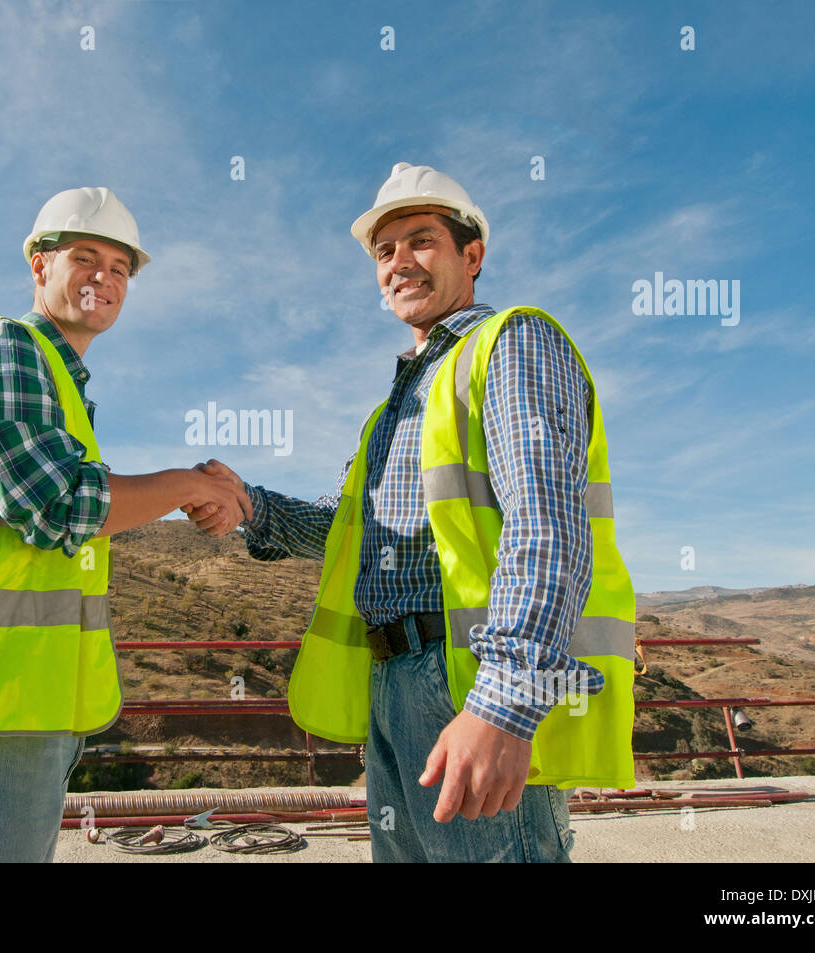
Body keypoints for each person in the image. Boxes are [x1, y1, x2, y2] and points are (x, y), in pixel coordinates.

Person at [185, 163, 636, 862]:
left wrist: (503, 704)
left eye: (420, 241)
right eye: (384, 250)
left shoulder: (513, 344)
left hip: (466, 679)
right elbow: (354, 531)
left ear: (472, 256)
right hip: (393, 682)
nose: (399, 263)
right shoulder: (397, 404)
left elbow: (548, 527)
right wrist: (250, 506)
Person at [0, 186, 251, 862]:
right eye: (84, 256)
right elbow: (57, 504)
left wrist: (207, 490)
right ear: (39, 266)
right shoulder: (8, 348)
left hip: (20, 705)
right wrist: (186, 485)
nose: (103, 278)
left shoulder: (62, 381)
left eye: (119, 267)